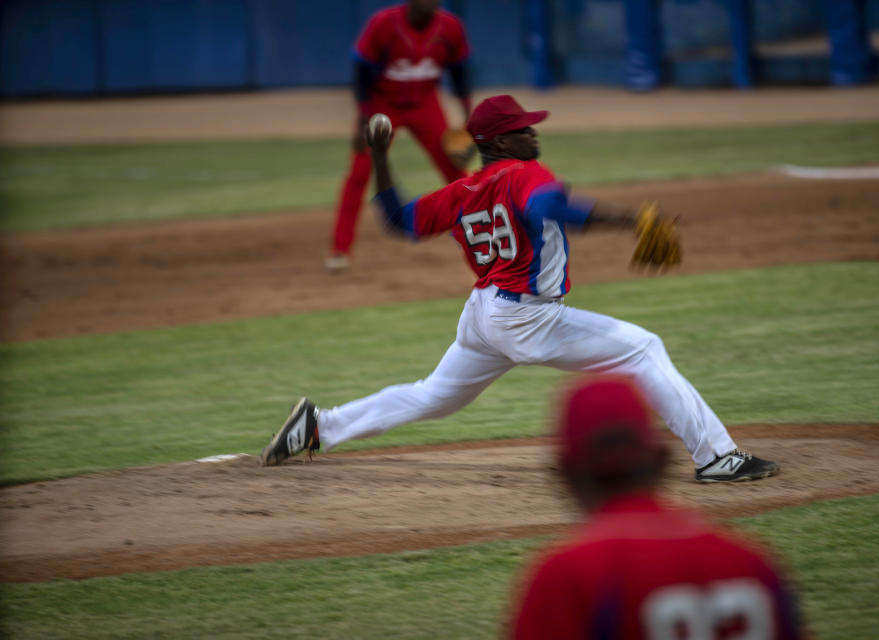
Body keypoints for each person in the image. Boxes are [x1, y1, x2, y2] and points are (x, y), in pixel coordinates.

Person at [261, 94, 780, 483]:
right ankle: (718, 457)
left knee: (434, 397)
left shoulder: (459, 192)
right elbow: (545, 207)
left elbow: (398, 219)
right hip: (527, 319)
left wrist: (379, 156)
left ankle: (318, 427)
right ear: (499, 143)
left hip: (484, 316)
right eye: (523, 130)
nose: (534, 135)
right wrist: (629, 220)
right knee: (645, 348)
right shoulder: (525, 174)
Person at [507, 375, 804, 639]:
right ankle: (714, 455)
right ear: (663, 460)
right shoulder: (752, 561)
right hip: (517, 319)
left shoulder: (567, 574)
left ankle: (716, 455)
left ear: (564, 473)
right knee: (643, 346)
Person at [327, 0, 473, 272]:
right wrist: (363, 119)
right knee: (360, 171)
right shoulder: (384, 24)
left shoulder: (450, 27)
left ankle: (480, 232)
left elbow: (459, 72)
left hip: (426, 103)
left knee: (455, 169)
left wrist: (467, 114)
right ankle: (340, 249)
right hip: (383, 103)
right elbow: (361, 72)